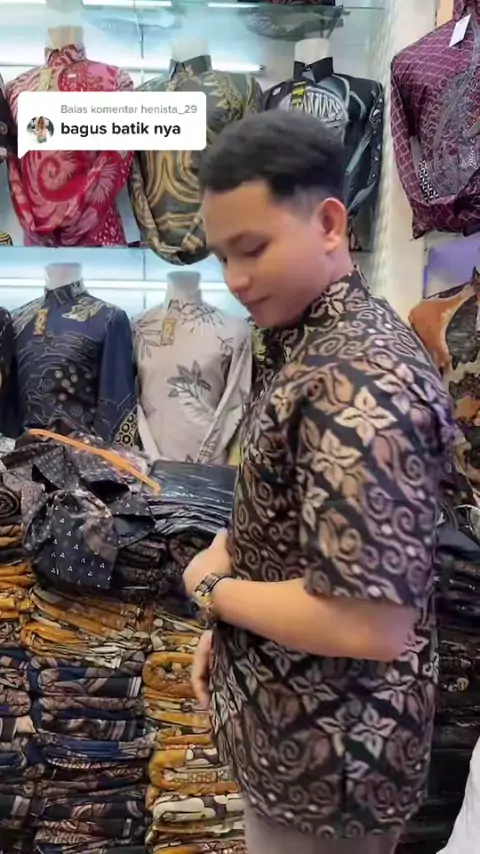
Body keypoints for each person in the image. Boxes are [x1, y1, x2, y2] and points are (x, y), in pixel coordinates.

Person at [183, 111, 455, 854]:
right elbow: (296, 522)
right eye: (222, 257)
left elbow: (368, 624)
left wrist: (211, 588)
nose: (235, 280)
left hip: (329, 765)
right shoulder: (313, 340)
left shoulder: (359, 375)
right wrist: (231, 626)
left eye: (253, 249)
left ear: (330, 223)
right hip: (297, 735)